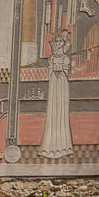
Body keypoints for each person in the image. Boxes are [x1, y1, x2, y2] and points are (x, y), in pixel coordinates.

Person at [39, 31, 73, 159]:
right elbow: (50, 72)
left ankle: (64, 147)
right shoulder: (52, 58)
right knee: (53, 111)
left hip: (62, 84)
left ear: (63, 43)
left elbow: (65, 72)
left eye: (61, 41)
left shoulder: (65, 58)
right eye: (57, 41)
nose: (58, 43)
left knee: (61, 111)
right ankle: (49, 147)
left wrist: (59, 71)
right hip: (53, 84)